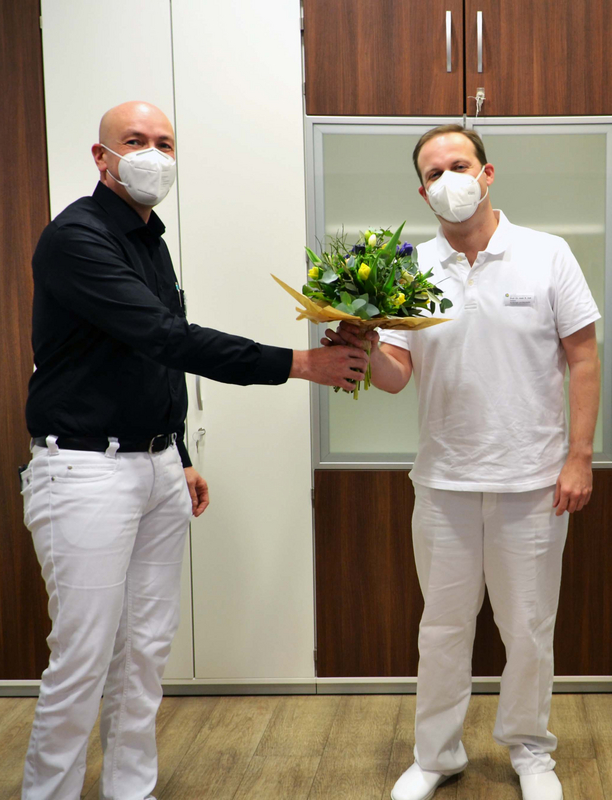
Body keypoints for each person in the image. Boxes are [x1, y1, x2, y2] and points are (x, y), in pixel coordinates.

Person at [20, 101, 367, 800]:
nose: (153, 154)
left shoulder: (151, 239)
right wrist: (299, 364)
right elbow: (165, 337)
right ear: (101, 158)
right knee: (83, 657)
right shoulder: (76, 238)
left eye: (165, 142)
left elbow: (154, 360)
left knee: (145, 651)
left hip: (153, 468)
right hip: (85, 468)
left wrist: (175, 453)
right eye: (135, 141)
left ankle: (130, 789)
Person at [328, 124, 601, 800]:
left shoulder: (547, 254)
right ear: (422, 192)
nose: (449, 179)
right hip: (444, 481)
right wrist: (362, 345)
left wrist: (579, 458)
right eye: (434, 172)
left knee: (528, 630)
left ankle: (531, 751)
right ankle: (437, 754)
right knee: (443, 629)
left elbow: (584, 358)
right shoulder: (407, 271)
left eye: (460, 164)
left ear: (487, 173)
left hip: (533, 482)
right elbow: (396, 376)